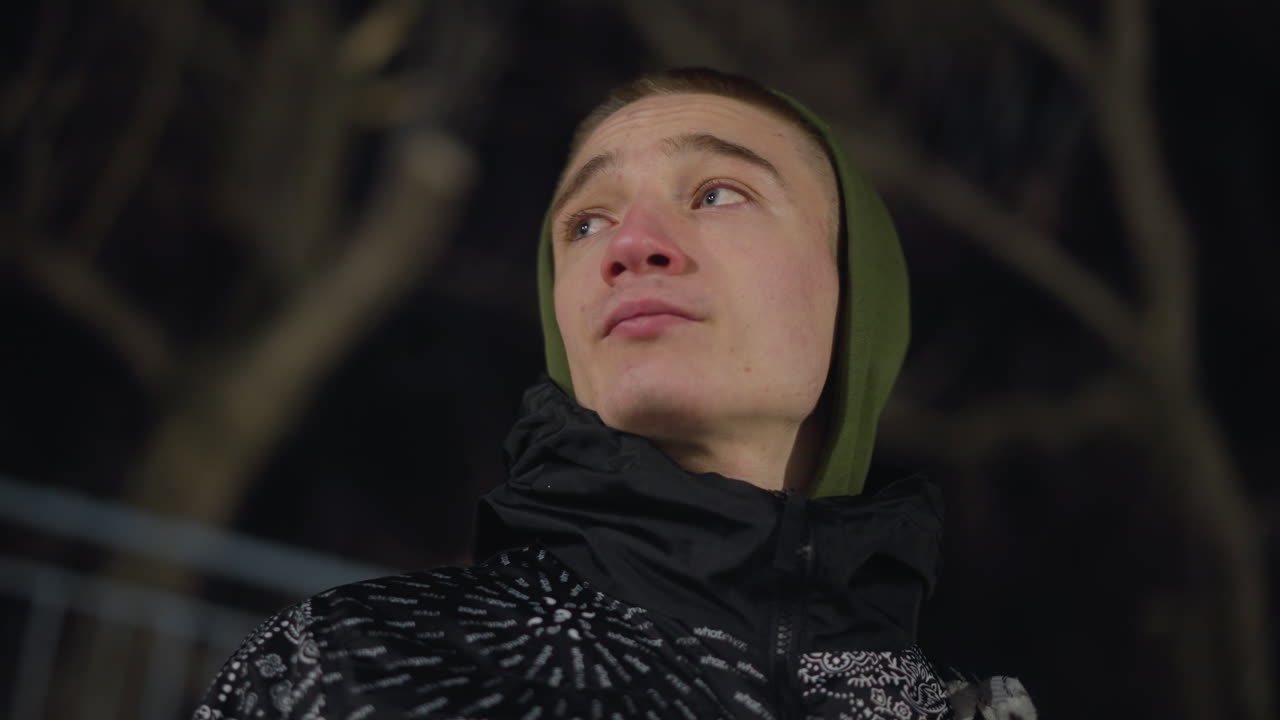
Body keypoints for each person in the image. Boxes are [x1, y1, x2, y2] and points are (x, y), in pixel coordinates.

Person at [192, 68, 1034, 720]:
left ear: (858, 297)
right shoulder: (352, 666)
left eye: (717, 193)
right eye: (585, 222)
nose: (630, 244)